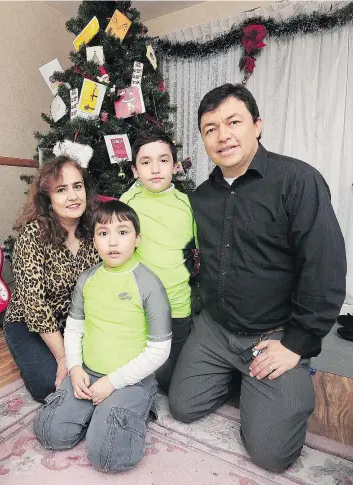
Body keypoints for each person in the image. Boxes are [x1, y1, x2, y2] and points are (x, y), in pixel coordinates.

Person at [168, 83, 346, 472]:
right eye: (210, 128)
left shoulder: (298, 181)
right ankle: (239, 377)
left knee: (271, 456)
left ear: (257, 125)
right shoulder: (198, 197)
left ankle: (289, 380)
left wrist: (297, 343)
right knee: (181, 408)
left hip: (273, 335)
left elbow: (325, 267)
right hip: (215, 329)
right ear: (203, 139)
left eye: (233, 122)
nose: (222, 135)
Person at [34, 200, 172, 473]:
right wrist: (74, 368)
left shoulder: (149, 284)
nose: (113, 242)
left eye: (123, 232)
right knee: (49, 433)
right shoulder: (87, 279)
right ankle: (99, 413)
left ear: (137, 239)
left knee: (108, 457)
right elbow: (74, 328)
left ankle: (138, 407)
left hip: (129, 381)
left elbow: (159, 350)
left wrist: (113, 382)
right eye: (103, 233)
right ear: (94, 240)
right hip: (88, 373)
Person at [3, 156, 100, 403]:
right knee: (50, 384)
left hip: (75, 325)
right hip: (29, 324)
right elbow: (34, 305)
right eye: (61, 190)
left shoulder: (94, 230)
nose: (73, 196)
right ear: (48, 199)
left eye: (78, 187)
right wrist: (63, 357)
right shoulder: (32, 235)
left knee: (98, 371)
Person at [120, 130, 196, 392]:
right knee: (138, 375)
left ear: (175, 166)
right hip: (140, 307)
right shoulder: (127, 203)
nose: (155, 169)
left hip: (178, 307)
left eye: (163, 160)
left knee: (170, 384)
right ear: (134, 170)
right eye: (145, 162)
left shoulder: (188, 204)